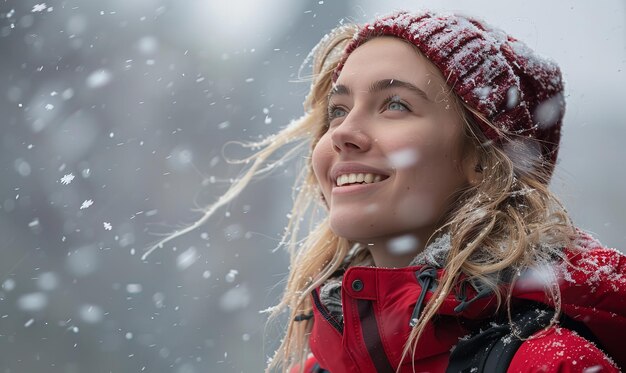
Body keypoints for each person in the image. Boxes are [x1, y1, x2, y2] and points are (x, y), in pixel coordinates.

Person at [151, 10, 626, 372]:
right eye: (338, 110)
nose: (342, 133)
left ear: (483, 159)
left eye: (395, 104)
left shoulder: (549, 363)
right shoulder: (317, 365)